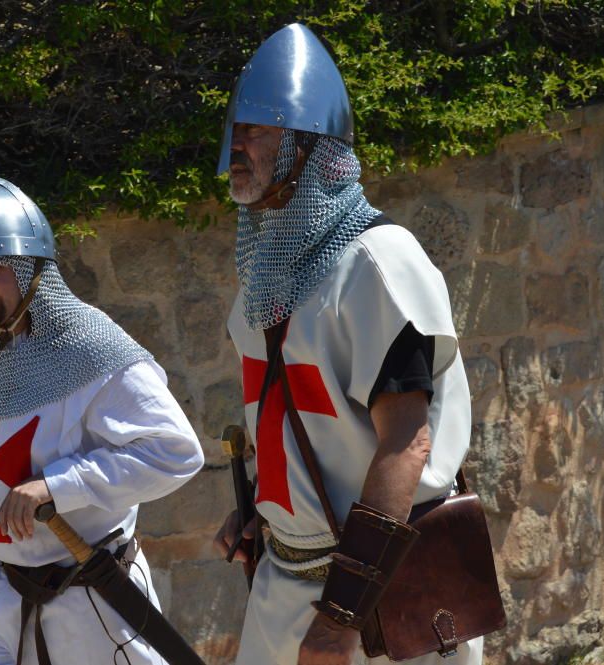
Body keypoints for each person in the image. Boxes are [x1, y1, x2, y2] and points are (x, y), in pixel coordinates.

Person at [211, 24, 483, 665]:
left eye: (257, 131)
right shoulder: (269, 272)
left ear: (308, 146)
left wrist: (340, 620)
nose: (238, 145)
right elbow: (301, 421)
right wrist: (271, 511)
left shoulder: (378, 263)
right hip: (283, 584)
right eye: (237, 131)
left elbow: (406, 441)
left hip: (379, 601)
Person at [0, 177, 204, 665]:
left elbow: (174, 451)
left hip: (87, 605)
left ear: (31, 272)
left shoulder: (92, 351)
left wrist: (55, 486)